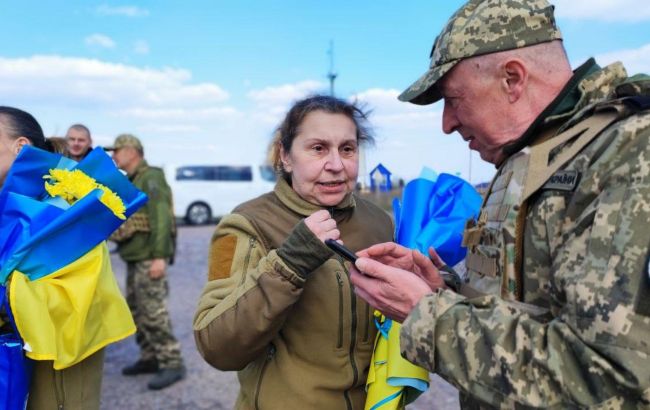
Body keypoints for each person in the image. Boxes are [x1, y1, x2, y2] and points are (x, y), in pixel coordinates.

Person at [349, 0, 650, 408]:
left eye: (453, 99)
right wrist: (441, 290)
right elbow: (524, 302)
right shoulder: (530, 156)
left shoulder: (629, 152)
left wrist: (427, 315)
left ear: (512, 79)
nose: (446, 123)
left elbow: (605, 375)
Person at [193, 95, 394, 409]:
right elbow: (216, 345)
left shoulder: (379, 221)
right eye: (317, 148)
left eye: (347, 149)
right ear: (285, 156)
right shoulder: (246, 224)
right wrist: (290, 263)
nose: (336, 165)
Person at [0, 106, 105, 409]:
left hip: (56, 367)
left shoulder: (67, 205)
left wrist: (7, 291)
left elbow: (76, 301)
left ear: (20, 147)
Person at [104, 134, 185, 390]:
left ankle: (172, 363)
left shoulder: (151, 177)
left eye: (117, 150)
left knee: (153, 312)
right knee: (137, 311)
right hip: (134, 255)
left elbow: (161, 218)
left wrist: (160, 256)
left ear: (132, 151)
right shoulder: (133, 179)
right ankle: (150, 358)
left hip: (149, 257)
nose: (114, 155)